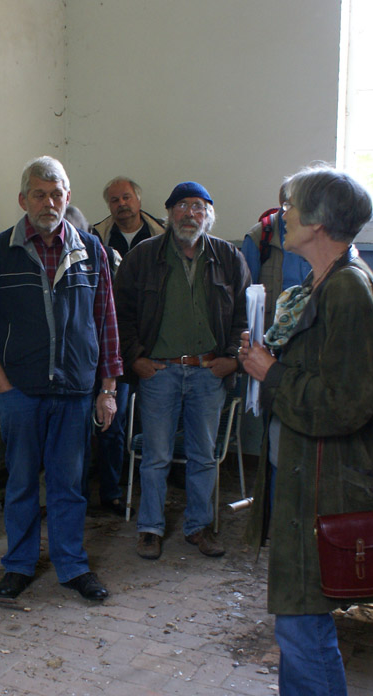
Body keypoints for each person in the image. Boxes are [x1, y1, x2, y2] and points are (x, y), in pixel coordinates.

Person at [240, 165, 373, 696]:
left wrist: (272, 374)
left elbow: (348, 402)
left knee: (303, 628)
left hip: (323, 488)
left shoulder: (348, 291)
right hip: (303, 482)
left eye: (290, 209)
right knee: (298, 626)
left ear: (317, 222)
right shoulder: (323, 283)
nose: (281, 218)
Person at [0, 156, 122, 601]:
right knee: (20, 484)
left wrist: (107, 389)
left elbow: (106, 321)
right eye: (39, 193)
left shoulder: (91, 250)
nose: (48, 202)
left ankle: (72, 567)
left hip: (75, 392)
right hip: (21, 392)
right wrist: (3, 387)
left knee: (69, 486)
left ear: (68, 198)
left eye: (56, 194)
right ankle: (18, 564)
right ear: (23, 200)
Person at [114, 181, 249, 560]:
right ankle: (150, 529)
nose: (190, 213)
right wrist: (136, 357)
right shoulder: (143, 257)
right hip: (160, 373)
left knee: (204, 455)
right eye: (182, 206)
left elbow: (245, 314)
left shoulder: (227, 256)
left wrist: (232, 359)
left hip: (209, 372)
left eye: (198, 207)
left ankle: (198, 527)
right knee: (155, 456)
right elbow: (120, 314)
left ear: (208, 215)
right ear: (169, 212)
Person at [67, 205, 129, 517]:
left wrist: (112, 375)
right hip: (75, 363)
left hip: (111, 357)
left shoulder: (108, 258)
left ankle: (111, 492)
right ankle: (75, 496)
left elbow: (115, 316)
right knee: (74, 434)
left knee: (111, 428)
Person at [239, 183, 312, 324]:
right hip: (272, 330)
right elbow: (246, 295)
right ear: (285, 206)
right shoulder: (258, 237)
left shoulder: (316, 234)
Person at [91, 176, 166, 255]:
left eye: (126, 197)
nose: (121, 203)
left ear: (139, 200)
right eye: (115, 200)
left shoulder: (161, 234)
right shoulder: (96, 236)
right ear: (109, 206)